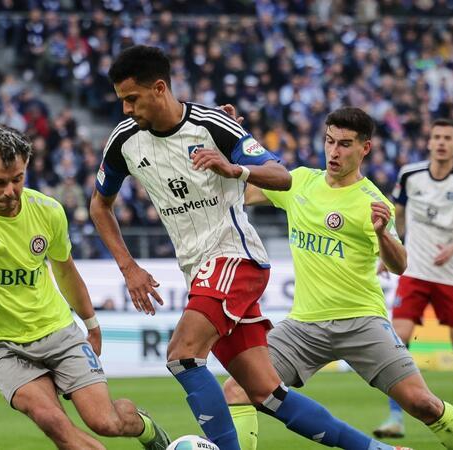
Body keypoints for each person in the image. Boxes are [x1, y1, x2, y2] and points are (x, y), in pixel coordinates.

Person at [90, 45, 409, 450]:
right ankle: (377, 449)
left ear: (159, 88)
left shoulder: (213, 126)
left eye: (131, 99)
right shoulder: (124, 141)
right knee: (265, 393)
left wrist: (234, 166)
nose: (126, 109)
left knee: (182, 354)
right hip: (199, 271)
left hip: (235, 258)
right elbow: (99, 205)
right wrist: (128, 267)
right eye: (121, 100)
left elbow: (281, 175)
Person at [219, 107, 453, 450]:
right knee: (237, 390)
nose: (334, 151)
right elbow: (238, 190)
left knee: (423, 403)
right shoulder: (299, 181)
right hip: (304, 326)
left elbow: (401, 264)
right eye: (330, 141)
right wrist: (232, 138)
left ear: (365, 149)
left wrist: (384, 235)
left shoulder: (373, 202)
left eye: (345, 144)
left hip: (361, 322)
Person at [0, 124, 170, 450]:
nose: (10, 191)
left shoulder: (48, 211)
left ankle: (145, 428)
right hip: (3, 344)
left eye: (17, 179)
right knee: (52, 421)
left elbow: (66, 273)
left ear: (26, 170)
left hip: (59, 331)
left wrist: (91, 323)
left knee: (106, 422)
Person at [374, 119, 453, 437]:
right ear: (429, 142)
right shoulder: (410, 175)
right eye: (436, 137)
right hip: (415, 271)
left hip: (451, 275)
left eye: (448, 138)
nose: (441, 142)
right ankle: (395, 418)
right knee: (398, 338)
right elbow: (398, 218)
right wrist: (389, 253)